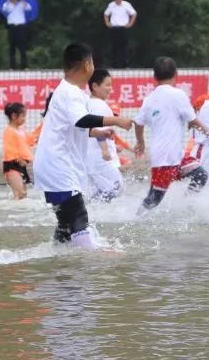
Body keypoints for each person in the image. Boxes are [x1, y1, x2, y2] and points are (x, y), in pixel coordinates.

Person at [33, 43, 134, 248]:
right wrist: (115, 120)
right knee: (79, 216)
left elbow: (72, 126)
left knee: (65, 223)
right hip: (60, 167)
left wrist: (97, 132)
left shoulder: (66, 90)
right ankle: (93, 256)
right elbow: (81, 120)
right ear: (87, 65)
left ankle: (57, 258)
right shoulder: (71, 92)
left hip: (52, 166)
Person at [134, 56, 209, 212]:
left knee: (200, 175)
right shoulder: (178, 94)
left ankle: (187, 206)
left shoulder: (149, 99)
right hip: (166, 158)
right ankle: (135, 218)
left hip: (174, 155)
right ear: (176, 74)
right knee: (154, 199)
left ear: (154, 76)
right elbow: (192, 119)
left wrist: (140, 142)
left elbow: (138, 123)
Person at [85, 69, 126, 202]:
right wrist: (105, 149)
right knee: (117, 188)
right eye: (107, 85)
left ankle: (91, 211)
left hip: (92, 159)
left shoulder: (88, 103)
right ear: (95, 86)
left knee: (101, 192)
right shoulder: (99, 105)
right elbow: (98, 129)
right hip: (100, 159)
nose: (110, 89)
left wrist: (112, 147)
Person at [2, 102, 35, 200]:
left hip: (21, 165)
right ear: (13, 116)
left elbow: (31, 140)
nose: (24, 119)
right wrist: (18, 159)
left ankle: (17, 208)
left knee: (23, 194)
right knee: (19, 194)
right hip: (12, 165)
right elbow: (9, 149)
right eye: (23, 116)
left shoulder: (21, 131)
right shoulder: (9, 131)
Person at [103, 0, 138, 68]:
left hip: (123, 28)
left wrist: (130, 23)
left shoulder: (126, 5)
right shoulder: (111, 5)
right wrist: (107, 23)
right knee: (114, 47)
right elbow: (106, 14)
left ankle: (125, 65)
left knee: (125, 47)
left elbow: (134, 14)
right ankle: (114, 65)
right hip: (114, 28)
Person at [1, 0, 29, 70]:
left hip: (20, 26)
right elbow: (4, 9)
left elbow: (28, 8)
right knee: (11, 47)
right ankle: (12, 66)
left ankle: (24, 66)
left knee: (22, 47)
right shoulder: (7, 4)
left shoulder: (21, 4)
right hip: (12, 26)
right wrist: (8, 0)